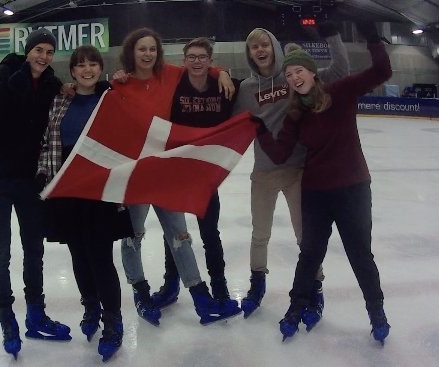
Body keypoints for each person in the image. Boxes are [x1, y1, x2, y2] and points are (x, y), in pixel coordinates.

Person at [256, 22, 391, 343]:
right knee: (310, 254)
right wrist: (259, 129)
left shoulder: (340, 91)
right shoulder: (294, 114)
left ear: (313, 72)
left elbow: (382, 71)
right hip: (315, 193)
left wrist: (372, 37)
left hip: (353, 188)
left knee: (360, 254)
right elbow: (279, 153)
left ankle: (377, 311)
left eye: (298, 71)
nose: (293, 78)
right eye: (288, 75)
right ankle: (295, 308)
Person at [113, 27, 239, 326]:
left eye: (152, 49)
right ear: (132, 52)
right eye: (142, 49)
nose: (147, 54)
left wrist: (221, 71)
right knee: (133, 238)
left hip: (166, 173)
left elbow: (201, 64)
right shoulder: (119, 84)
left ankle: (201, 297)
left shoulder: (169, 75)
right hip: (134, 175)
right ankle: (141, 294)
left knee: (180, 236)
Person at [232, 23, 350, 318]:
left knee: (305, 237)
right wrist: (219, 74)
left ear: (274, 46)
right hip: (264, 172)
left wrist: (331, 31)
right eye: (253, 47)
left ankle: (315, 288)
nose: (260, 50)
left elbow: (339, 70)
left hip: (298, 171)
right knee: (260, 234)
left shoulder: (293, 76)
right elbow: (228, 123)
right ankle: (257, 284)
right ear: (249, 53)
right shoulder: (247, 89)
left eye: (264, 44)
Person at [0, 28, 71, 359]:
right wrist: (15, 80)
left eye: (49, 51)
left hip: (30, 180)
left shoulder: (51, 85)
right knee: (0, 253)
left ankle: (35, 313)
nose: (43, 56)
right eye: (38, 50)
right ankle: (7, 319)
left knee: (34, 249)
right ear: (27, 50)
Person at [36, 45, 133, 362]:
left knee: (100, 256)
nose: (87, 70)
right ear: (72, 71)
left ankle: (113, 320)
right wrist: (44, 177)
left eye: (93, 64)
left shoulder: (111, 97)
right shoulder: (60, 99)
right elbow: (48, 140)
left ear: (100, 68)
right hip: (66, 182)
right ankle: (90, 306)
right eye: (80, 65)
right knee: (78, 252)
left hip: (100, 185)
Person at [150, 37, 241, 314]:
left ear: (210, 61)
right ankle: (171, 285)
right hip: (176, 170)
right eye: (192, 57)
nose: (197, 61)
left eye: (202, 57)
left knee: (209, 233)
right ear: (184, 59)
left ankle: (220, 287)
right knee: (174, 233)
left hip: (205, 175)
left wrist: (222, 72)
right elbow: (145, 72)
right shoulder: (175, 83)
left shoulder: (224, 85)